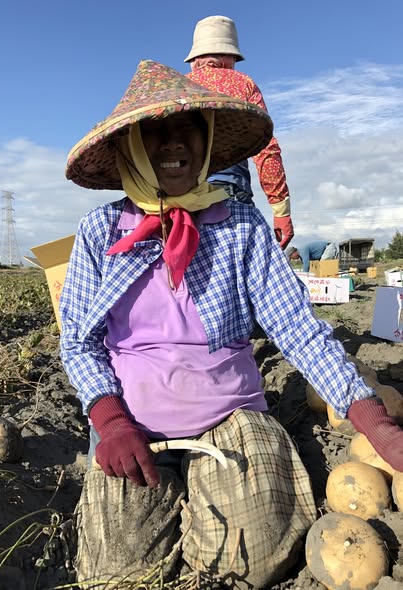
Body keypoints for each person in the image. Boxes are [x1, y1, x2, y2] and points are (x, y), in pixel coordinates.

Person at [60, 60, 403, 587]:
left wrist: (375, 423)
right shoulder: (101, 230)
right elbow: (80, 343)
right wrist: (111, 423)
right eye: (156, 132)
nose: (175, 143)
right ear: (131, 147)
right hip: (134, 424)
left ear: (207, 141)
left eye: (189, 129)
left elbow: (298, 329)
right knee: (117, 573)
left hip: (229, 415)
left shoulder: (239, 223)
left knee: (249, 561)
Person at [185, 15, 294, 250]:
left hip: (180, 199)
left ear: (194, 59)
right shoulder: (243, 84)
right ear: (229, 57)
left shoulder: (177, 88)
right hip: (229, 194)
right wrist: (281, 209)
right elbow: (266, 149)